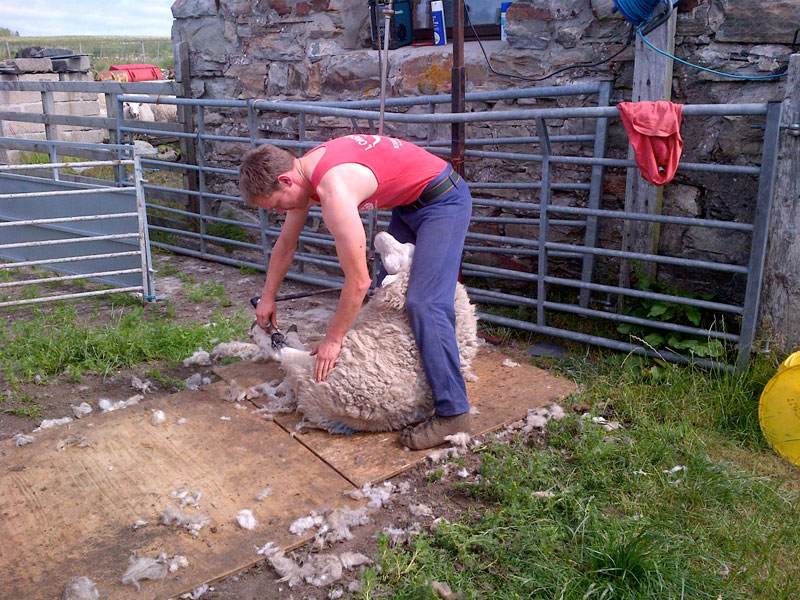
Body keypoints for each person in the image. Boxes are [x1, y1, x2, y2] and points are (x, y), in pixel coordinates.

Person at [238, 134, 473, 450]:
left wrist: (333, 339)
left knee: (424, 301)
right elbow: (286, 243)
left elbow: (356, 281)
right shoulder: (303, 174)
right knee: (386, 293)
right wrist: (267, 297)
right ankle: (409, 385)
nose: (281, 212)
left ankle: (453, 411)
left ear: (285, 180)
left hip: (443, 200)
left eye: (278, 205)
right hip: (409, 204)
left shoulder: (333, 189)